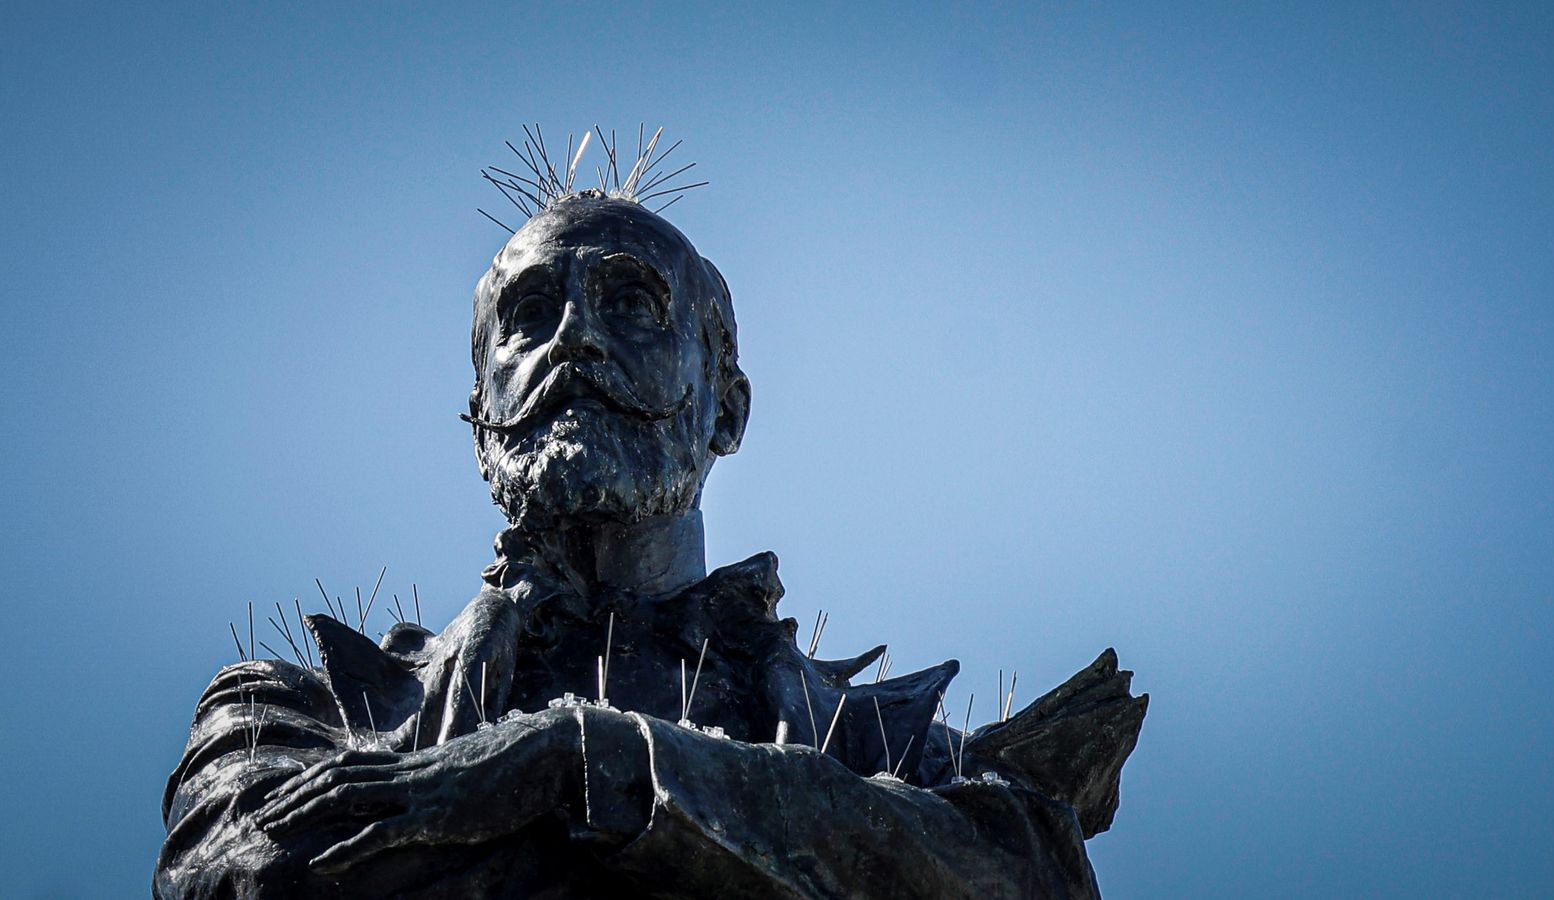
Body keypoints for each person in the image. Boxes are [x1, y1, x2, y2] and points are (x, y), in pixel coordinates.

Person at [157, 188, 1147, 899]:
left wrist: (578, 759)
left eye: (629, 303)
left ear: (727, 407)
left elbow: (1025, 877)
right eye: (530, 314)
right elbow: (243, 876)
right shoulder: (294, 713)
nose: (574, 340)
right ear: (479, 418)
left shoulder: (890, 748)